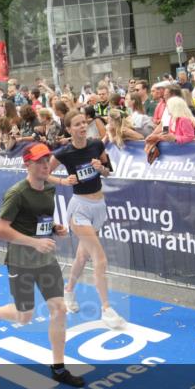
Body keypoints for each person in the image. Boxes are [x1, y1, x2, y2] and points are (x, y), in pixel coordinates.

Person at [0, 143, 85, 387]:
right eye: (39, 161)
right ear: (27, 164)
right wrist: (34, 243)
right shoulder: (17, 193)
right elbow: (0, 229)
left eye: (47, 159)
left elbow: (40, 222)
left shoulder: (49, 188)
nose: (45, 164)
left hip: (46, 260)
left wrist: (54, 229)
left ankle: (58, 368)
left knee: (59, 309)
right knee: (24, 315)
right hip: (20, 261)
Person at [48, 110, 125, 329]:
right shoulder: (64, 153)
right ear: (69, 129)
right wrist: (63, 182)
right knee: (100, 259)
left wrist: (103, 169)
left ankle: (68, 291)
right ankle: (107, 309)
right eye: (77, 124)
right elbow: (44, 173)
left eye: (84, 123)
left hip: (99, 207)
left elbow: (109, 171)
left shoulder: (96, 145)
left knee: (82, 257)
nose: (83, 127)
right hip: (79, 209)